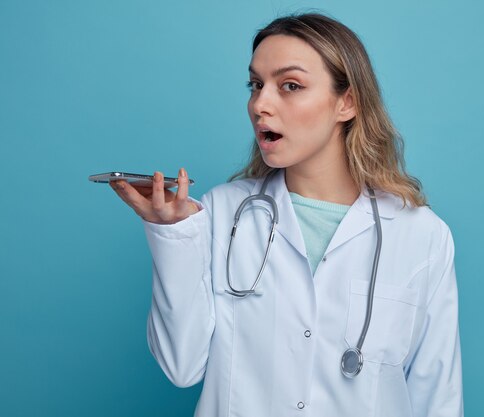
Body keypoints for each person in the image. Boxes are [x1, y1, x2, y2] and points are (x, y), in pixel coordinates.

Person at [110, 13, 463, 417]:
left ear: (346, 102)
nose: (260, 104)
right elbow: (181, 366)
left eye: (290, 86)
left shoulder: (421, 235)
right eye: (256, 85)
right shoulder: (222, 212)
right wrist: (172, 235)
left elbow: (438, 396)